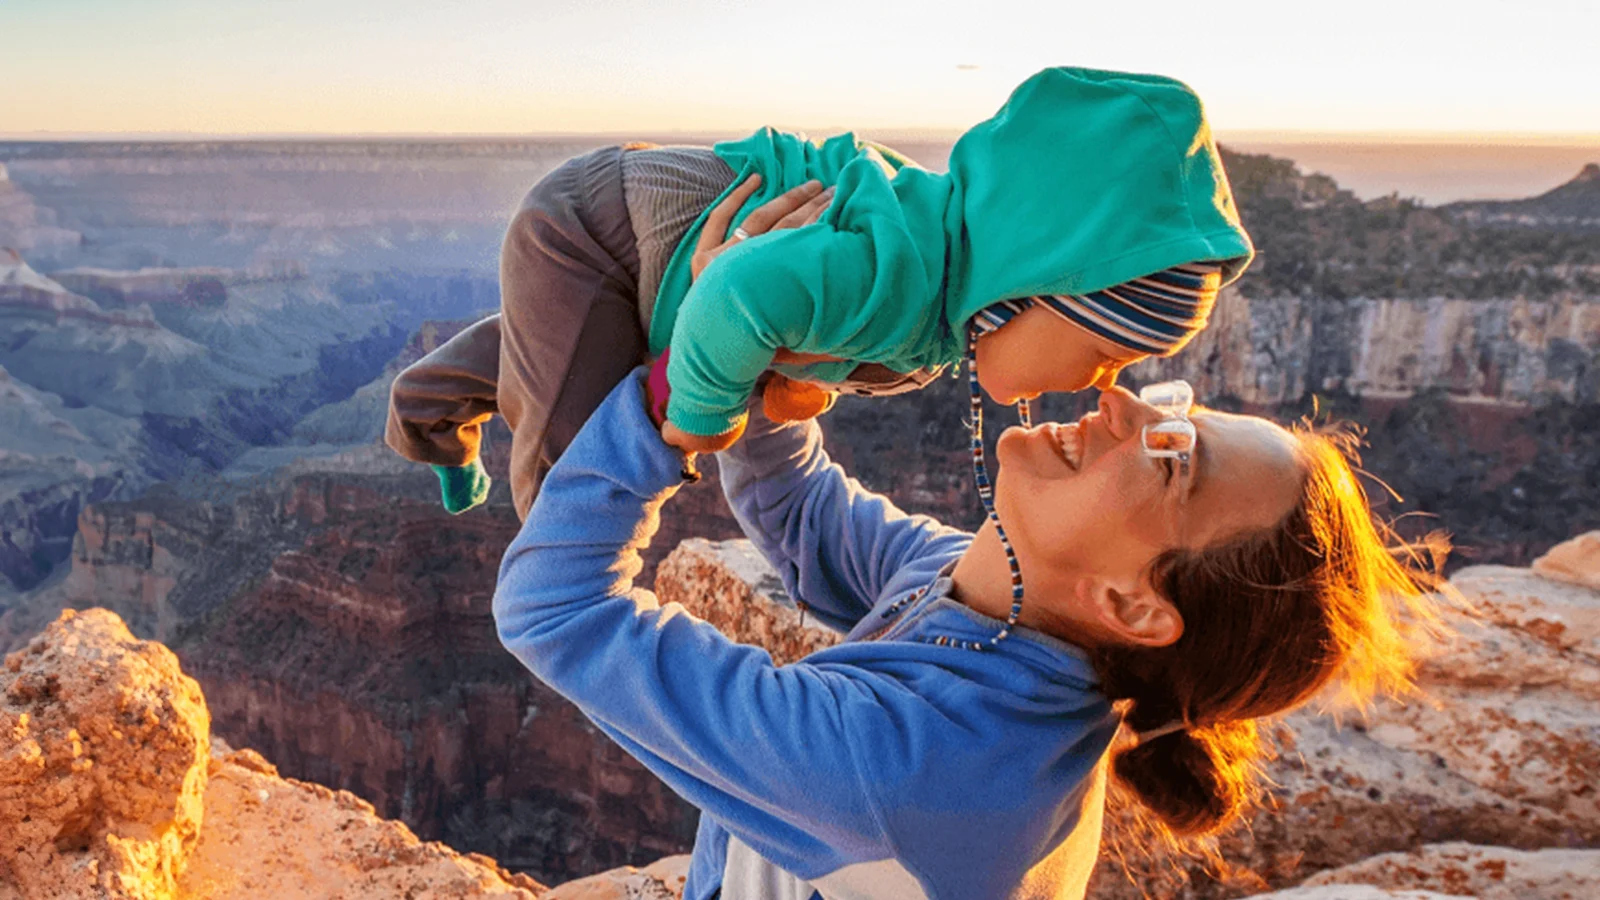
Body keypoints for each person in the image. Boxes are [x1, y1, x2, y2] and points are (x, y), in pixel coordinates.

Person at [490, 315, 1446, 897]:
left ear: (1134, 605)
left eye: (1171, 459)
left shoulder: (911, 768)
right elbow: (800, 508)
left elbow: (556, 609)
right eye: (1176, 408)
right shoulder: (997, 598)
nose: (1122, 407)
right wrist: (771, 350)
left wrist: (677, 391)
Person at [386, 65, 1255, 522]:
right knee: (572, 460)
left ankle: (422, 413)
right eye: (1109, 349)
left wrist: (803, 379)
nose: (1104, 381)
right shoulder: (902, 276)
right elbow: (739, 304)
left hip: (631, 247)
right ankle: (541, 568)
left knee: (542, 355)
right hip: (594, 235)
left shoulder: (947, 292)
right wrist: (701, 420)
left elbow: (808, 338)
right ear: (1037, 288)